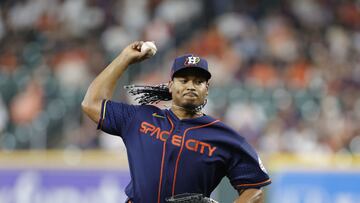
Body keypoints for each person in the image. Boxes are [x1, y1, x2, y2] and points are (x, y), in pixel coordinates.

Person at [82, 41, 271, 203]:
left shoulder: (226, 138)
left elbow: (255, 190)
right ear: (171, 86)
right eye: (184, 80)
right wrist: (124, 58)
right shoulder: (139, 118)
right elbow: (91, 103)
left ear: (207, 89)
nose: (190, 86)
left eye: (198, 82)